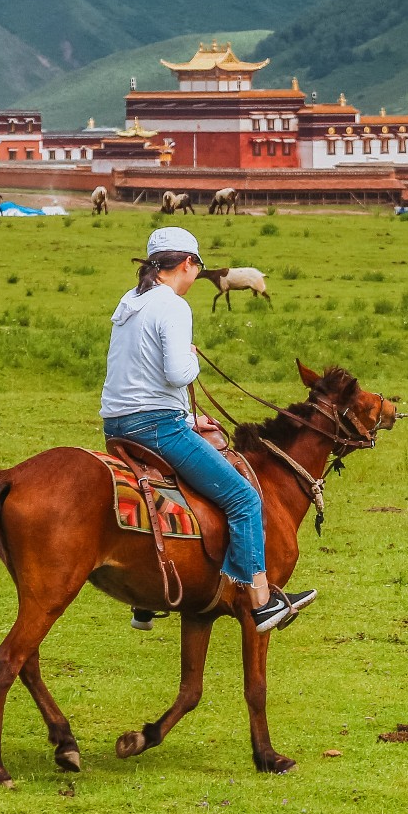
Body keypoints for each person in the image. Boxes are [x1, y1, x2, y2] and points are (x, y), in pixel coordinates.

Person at [100, 226, 312, 633]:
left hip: (118, 424)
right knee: (244, 497)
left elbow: (140, 373)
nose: (197, 278)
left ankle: (144, 600)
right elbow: (178, 372)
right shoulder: (173, 306)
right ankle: (262, 601)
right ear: (187, 264)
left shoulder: (131, 301)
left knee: (165, 492)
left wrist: (186, 415)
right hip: (155, 427)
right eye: (196, 268)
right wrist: (192, 358)